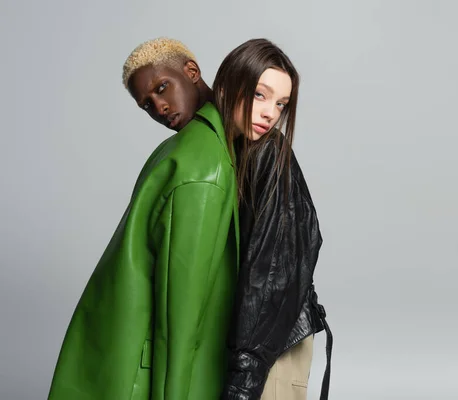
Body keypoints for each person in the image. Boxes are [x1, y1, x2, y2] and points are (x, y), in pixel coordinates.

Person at [48, 38, 239, 399]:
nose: (160, 107)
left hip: (124, 356)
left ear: (192, 72)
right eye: (147, 105)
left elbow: (181, 301)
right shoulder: (196, 156)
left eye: (162, 88)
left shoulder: (192, 156)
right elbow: (178, 298)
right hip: (138, 358)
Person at [213, 38, 332, 400]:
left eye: (281, 103)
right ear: (227, 87)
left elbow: (272, 277)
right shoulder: (230, 151)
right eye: (260, 95)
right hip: (254, 345)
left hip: (273, 348)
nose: (270, 113)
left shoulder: (269, 153)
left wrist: (245, 377)